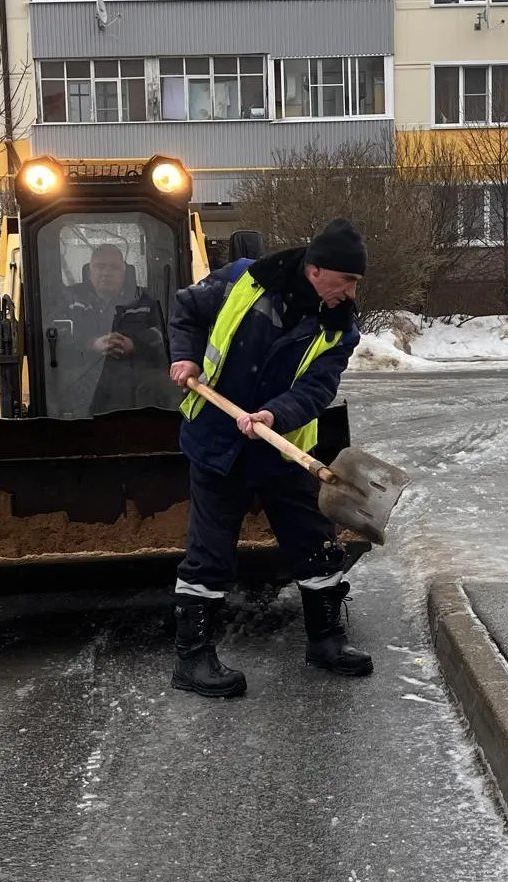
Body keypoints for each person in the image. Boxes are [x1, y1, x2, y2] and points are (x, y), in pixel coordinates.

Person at [165, 218, 372, 698]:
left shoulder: (340, 328)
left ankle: (326, 640)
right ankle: (192, 659)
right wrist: (186, 355)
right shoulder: (243, 279)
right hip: (217, 441)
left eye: (356, 282)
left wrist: (274, 415)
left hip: (284, 448)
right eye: (347, 279)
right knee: (210, 552)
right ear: (316, 270)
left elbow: (318, 388)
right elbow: (187, 309)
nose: (351, 291)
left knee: (316, 543)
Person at [55, 243, 173, 414]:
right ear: (89, 271)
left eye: (114, 267)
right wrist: (91, 343)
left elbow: (164, 332)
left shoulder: (145, 301)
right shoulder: (70, 300)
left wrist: (134, 343)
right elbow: (55, 333)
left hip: (135, 375)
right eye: (100, 266)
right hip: (83, 372)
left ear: (124, 273)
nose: (106, 272)